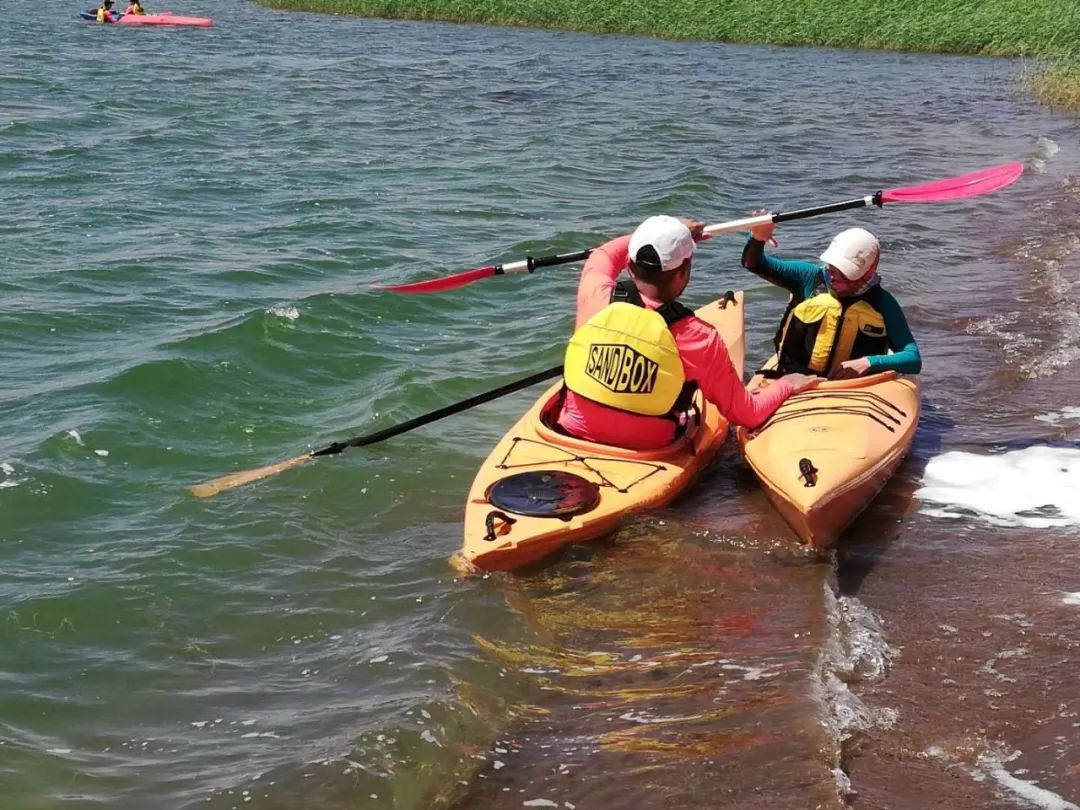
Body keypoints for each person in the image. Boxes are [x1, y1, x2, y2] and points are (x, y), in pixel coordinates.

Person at [556, 215, 818, 450]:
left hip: (572, 430)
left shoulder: (596, 292)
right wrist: (787, 385)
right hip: (651, 446)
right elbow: (747, 414)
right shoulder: (699, 337)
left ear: (629, 265)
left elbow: (603, 254)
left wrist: (670, 232)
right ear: (683, 272)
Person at [741, 214, 921, 380]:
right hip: (795, 382)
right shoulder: (809, 277)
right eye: (832, 267)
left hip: (854, 389)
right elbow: (754, 264)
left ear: (868, 273)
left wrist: (868, 362)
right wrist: (757, 238)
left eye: (845, 272)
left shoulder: (882, 302)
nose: (834, 276)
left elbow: (913, 359)